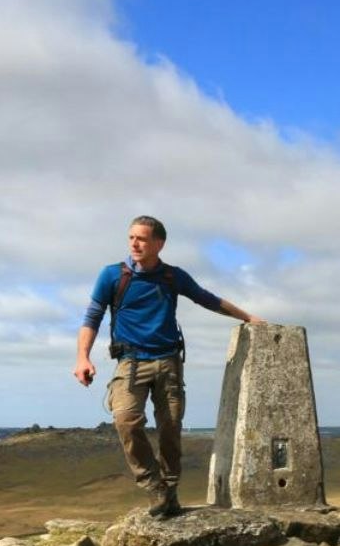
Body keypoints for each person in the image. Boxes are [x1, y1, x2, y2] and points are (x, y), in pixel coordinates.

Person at [74, 215, 263, 517]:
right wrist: (82, 357)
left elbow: (207, 299)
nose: (134, 243)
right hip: (131, 362)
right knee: (125, 419)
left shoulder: (172, 277)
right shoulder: (112, 275)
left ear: (159, 244)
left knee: (171, 430)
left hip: (169, 363)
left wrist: (248, 318)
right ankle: (153, 486)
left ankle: (169, 493)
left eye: (142, 238)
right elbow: (92, 316)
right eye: (131, 237)